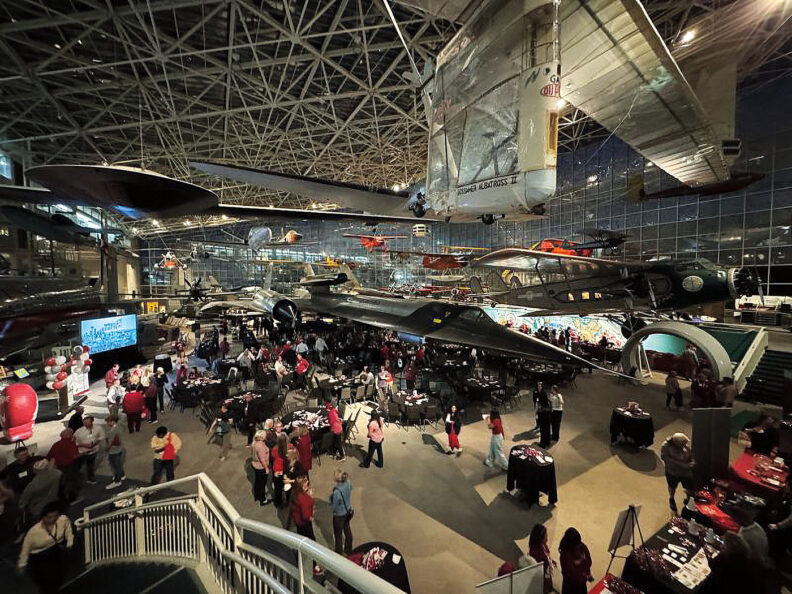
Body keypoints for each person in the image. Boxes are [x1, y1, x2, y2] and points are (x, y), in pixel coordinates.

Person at [17, 502, 74, 593]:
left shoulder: (62, 520)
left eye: (55, 516)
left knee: (59, 578)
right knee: (46, 583)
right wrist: (22, 564)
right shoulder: (34, 532)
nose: (53, 519)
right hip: (40, 557)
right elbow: (26, 548)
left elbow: (68, 530)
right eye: (49, 517)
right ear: (43, 517)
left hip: (56, 553)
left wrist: (70, 543)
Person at [660, 432, 695, 514]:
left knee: (690, 487)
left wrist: (692, 462)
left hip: (685, 472)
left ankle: (688, 500)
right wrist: (682, 465)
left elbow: (691, 455)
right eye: (683, 443)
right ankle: (671, 498)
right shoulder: (666, 446)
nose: (685, 445)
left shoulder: (685, 447)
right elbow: (666, 458)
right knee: (672, 486)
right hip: (673, 472)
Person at [46, 429, 81, 503]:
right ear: (68, 435)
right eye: (72, 434)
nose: (73, 435)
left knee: (62, 483)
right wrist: (82, 454)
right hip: (70, 467)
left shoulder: (56, 444)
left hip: (59, 468)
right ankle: (72, 499)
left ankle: (62, 498)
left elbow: (49, 456)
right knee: (72, 482)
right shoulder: (70, 444)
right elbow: (74, 456)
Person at [559, 528, 593, 594]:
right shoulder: (564, 554)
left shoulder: (582, 546)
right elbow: (570, 575)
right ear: (570, 544)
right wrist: (585, 575)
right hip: (570, 587)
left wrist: (587, 572)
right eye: (576, 544)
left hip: (581, 585)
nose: (579, 546)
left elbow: (589, 561)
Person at [74, 415, 106, 485]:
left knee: (90, 466)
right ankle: (76, 480)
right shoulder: (79, 431)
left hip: (93, 451)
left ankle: (90, 478)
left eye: (87, 422)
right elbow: (74, 442)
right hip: (82, 452)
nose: (85, 424)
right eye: (84, 422)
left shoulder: (98, 428)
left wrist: (94, 443)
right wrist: (84, 445)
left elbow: (101, 437)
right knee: (78, 466)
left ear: (92, 422)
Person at [329, 469, 354, 555]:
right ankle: (348, 549)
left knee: (338, 534)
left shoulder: (336, 492)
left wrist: (330, 498)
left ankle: (338, 552)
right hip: (348, 510)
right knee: (347, 529)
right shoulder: (348, 482)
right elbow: (351, 488)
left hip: (339, 515)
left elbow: (334, 506)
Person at [526, 524, 555, 593]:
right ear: (540, 538)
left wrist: (550, 560)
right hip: (542, 580)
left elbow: (547, 554)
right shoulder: (536, 553)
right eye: (545, 536)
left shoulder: (542, 545)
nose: (547, 538)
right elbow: (539, 571)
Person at [251, 430, 272, 506]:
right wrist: (266, 468)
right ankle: (263, 500)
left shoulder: (254, 443)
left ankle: (257, 496)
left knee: (257, 482)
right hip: (261, 467)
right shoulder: (261, 446)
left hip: (255, 465)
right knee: (262, 484)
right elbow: (262, 459)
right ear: (262, 437)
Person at [104, 415, 125, 489]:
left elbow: (114, 441)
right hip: (119, 449)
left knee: (115, 466)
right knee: (118, 463)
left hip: (114, 450)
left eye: (108, 422)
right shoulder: (119, 427)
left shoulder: (113, 430)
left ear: (113, 421)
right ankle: (122, 475)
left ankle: (117, 481)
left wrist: (107, 448)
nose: (107, 423)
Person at [272, 432, 287, 507]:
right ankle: (285, 500)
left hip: (277, 469)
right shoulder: (287, 448)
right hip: (284, 468)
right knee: (285, 485)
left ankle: (278, 502)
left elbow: (273, 457)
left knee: (277, 487)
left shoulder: (274, 449)